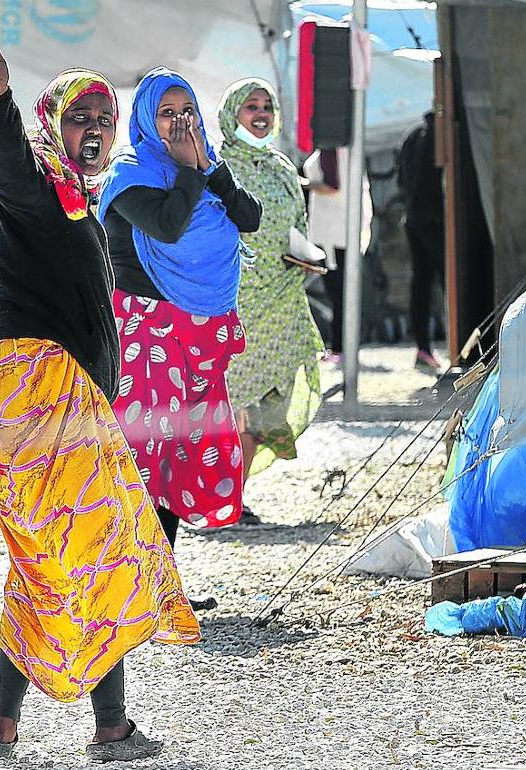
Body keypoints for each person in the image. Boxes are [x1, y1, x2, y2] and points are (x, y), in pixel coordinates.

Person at [0, 37, 199, 762]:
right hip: (38, 395)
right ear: (54, 124)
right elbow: (7, 169)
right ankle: (111, 729)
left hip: (59, 399)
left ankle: (3, 727)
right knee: (98, 553)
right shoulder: (35, 190)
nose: (93, 131)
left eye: (103, 120)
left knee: (47, 562)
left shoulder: (76, 201)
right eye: (79, 117)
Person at [99, 68, 262, 546]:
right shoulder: (129, 174)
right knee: (142, 452)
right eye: (166, 113)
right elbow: (167, 227)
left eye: (187, 111)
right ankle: (129, 568)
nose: (178, 122)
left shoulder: (203, 169)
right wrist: (190, 172)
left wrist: (209, 167)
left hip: (195, 335)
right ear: (146, 119)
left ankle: (162, 571)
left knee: (179, 454)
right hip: (144, 334)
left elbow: (249, 216)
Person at [217, 78, 323, 517]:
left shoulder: (282, 167)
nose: (260, 114)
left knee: (267, 400)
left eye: (266, 106)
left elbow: (297, 225)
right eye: (251, 106)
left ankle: (234, 497)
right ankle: (223, 499)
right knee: (234, 402)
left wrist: (306, 257)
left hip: (281, 301)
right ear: (232, 114)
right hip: (235, 301)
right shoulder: (217, 166)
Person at [301, 146, 371, 360]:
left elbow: (331, 187)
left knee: (338, 293)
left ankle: (341, 346)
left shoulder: (330, 149)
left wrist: (301, 182)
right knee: (341, 293)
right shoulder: (345, 150)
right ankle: (343, 345)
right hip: (341, 230)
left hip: (332, 232)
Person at [397, 110, 448, 371]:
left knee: (421, 284)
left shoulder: (411, 135)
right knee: (450, 282)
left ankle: (423, 348)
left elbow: (399, 180)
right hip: (435, 220)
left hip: (413, 219)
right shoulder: (444, 136)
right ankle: (460, 345)